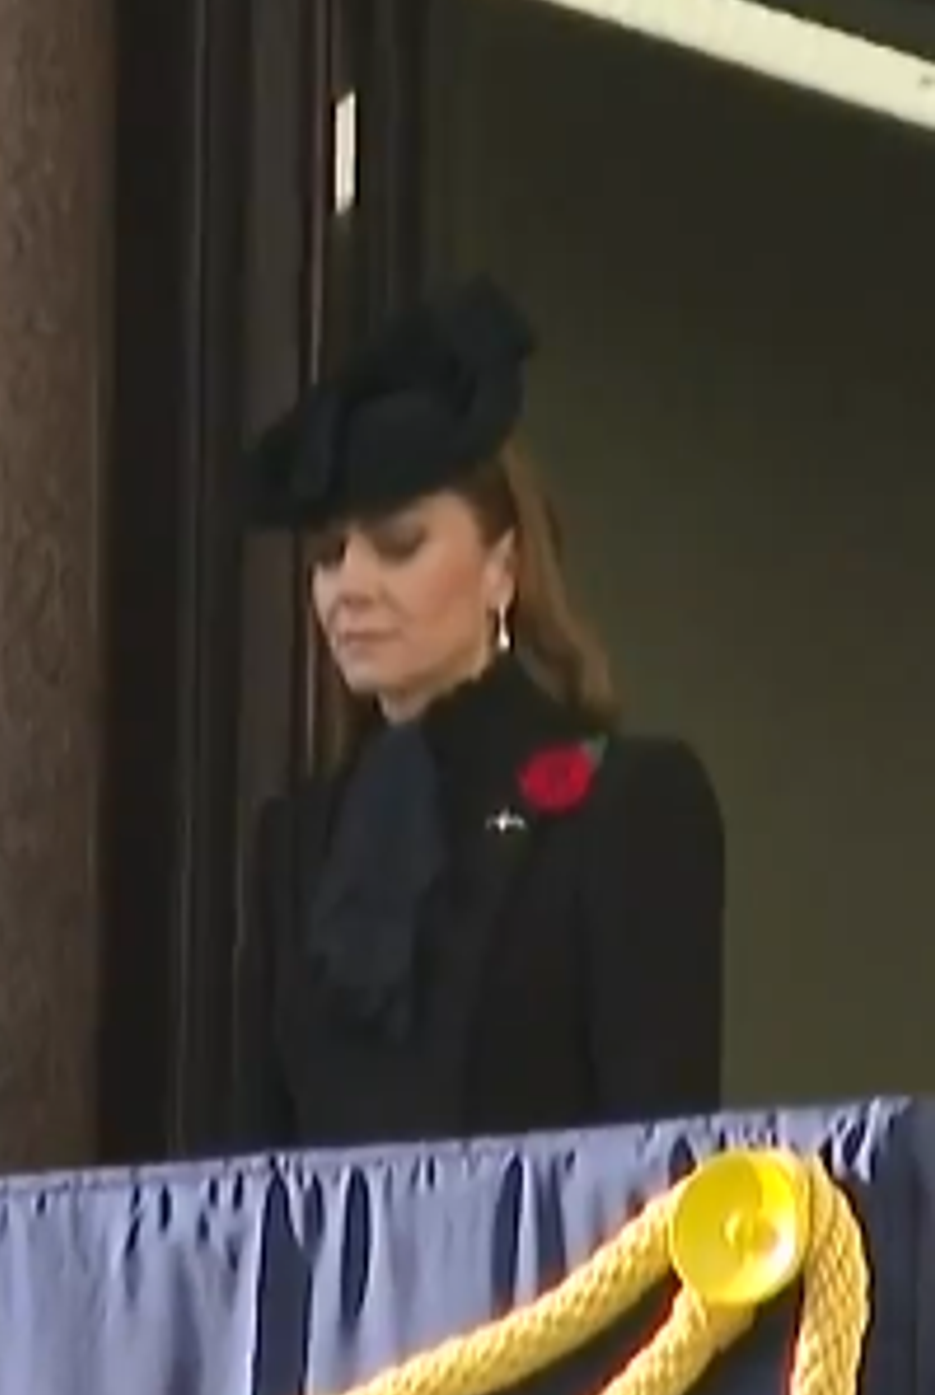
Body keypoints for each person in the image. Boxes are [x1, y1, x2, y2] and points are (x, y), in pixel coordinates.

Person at [235, 277, 724, 1147]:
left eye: (399, 545)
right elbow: (242, 1179)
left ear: (503, 567)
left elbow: (658, 1164)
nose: (350, 586)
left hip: (558, 1281)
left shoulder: (628, 804)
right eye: (327, 554)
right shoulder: (296, 841)